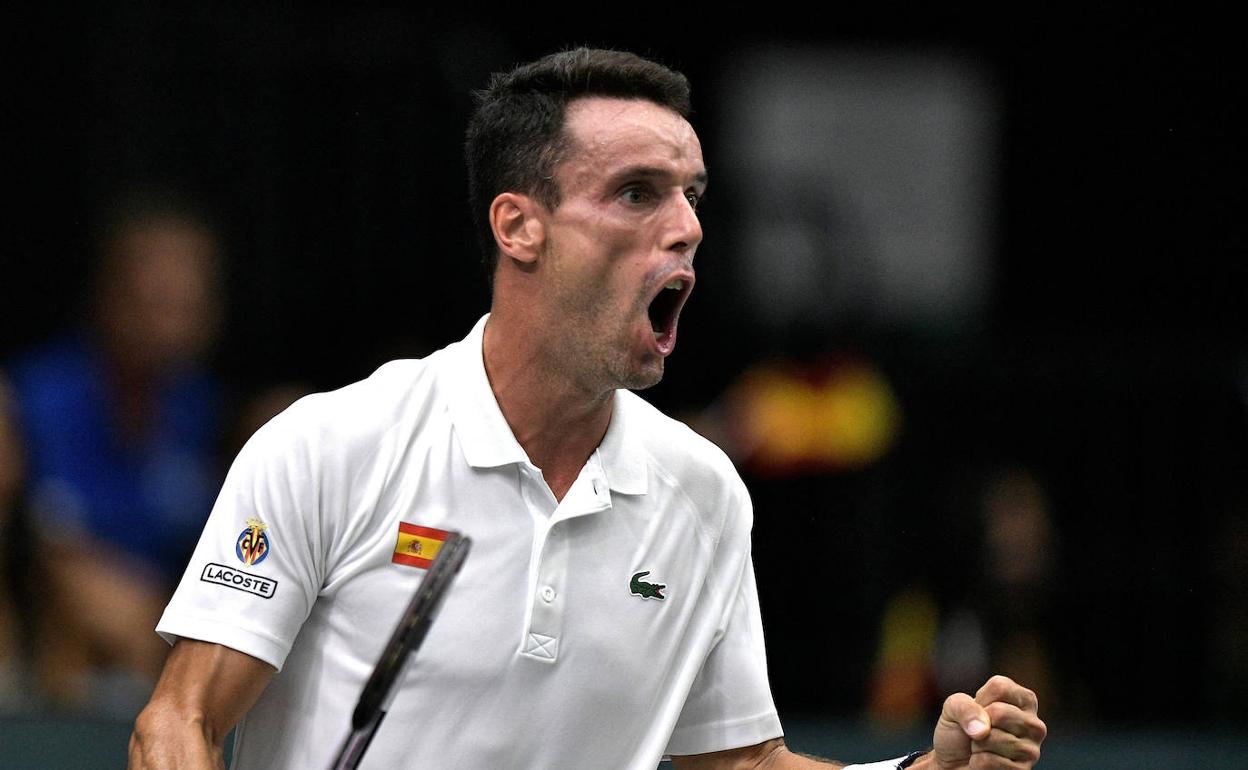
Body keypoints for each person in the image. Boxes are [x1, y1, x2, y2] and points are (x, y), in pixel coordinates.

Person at [128, 48, 1045, 770]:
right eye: (637, 193)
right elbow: (181, 720)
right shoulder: (328, 448)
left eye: (691, 196)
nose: (684, 224)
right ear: (518, 225)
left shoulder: (703, 493)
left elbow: (742, 762)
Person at [10, 185, 225, 711]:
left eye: (185, 302)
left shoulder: (208, 414)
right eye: (154, 299)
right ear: (109, 293)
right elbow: (47, 551)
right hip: (54, 647)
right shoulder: (37, 398)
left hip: (174, 645)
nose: (167, 320)